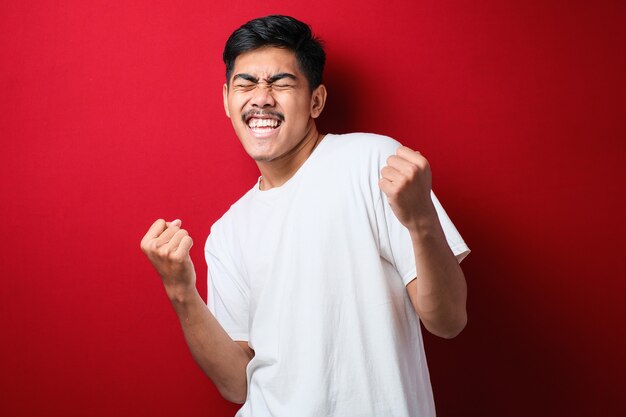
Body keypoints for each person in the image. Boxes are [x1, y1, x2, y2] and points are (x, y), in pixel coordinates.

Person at [140, 15, 469, 417]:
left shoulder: (373, 162)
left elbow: (448, 320)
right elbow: (235, 384)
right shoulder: (227, 232)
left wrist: (420, 220)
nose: (261, 97)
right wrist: (179, 289)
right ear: (226, 99)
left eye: (281, 82)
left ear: (316, 100)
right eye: (246, 83)